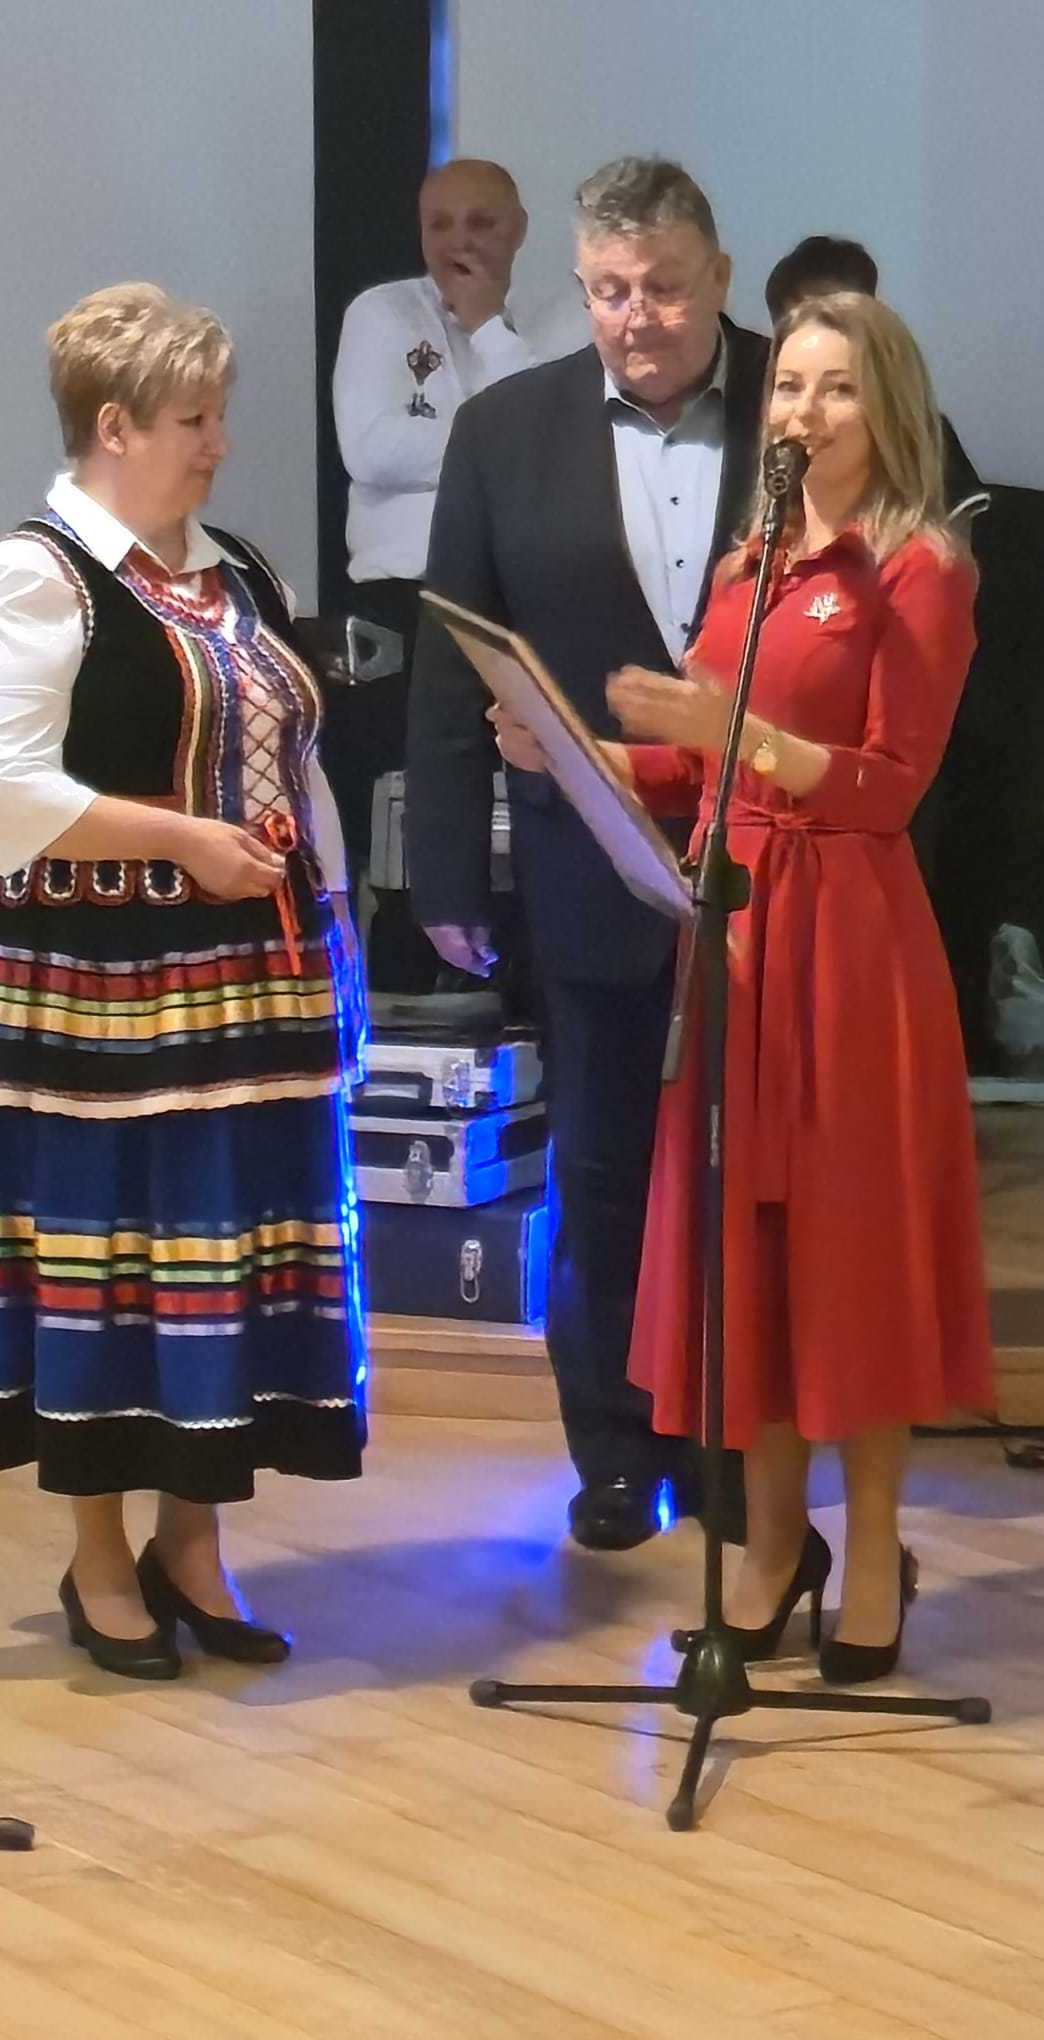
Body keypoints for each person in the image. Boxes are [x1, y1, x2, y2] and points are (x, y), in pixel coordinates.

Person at [0, 283, 366, 1680]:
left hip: (249, 980)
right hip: (98, 988)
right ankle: (99, 1556)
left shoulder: (238, 572)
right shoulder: (34, 577)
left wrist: (335, 914)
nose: (218, 442)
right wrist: (183, 842)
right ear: (113, 427)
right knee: (110, 1261)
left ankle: (194, 1541)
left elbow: (296, 767)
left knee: (219, 1260)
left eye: (217, 415)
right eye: (193, 419)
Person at [602, 292, 993, 1679]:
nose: (803, 412)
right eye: (788, 388)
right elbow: (702, 764)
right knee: (748, 1252)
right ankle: (773, 1548)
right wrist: (590, 751)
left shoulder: (918, 569)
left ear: (886, 410)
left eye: (836, 389)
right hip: (735, 934)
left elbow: (890, 787)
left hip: (846, 940)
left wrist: (735, 734)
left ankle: (873, 1546)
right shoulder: (746, 566)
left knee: (849, 1249)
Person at [408, 157, 768, 1550]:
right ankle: (615, 1453)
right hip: (586, 865)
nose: (638, 318)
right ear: (580, 287)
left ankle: (734, 1444)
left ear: (718, 277)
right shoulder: (503, 430)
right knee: (604, 1169)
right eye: (610, 291)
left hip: (768, 867)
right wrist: (446, 871)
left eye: (664, 288)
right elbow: (451, 664)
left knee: (749, 1173)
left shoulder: (799, 413)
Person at [330, 158, 535, 938]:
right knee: (404, 818)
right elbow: (372, 450)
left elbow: (544, 447)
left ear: (518, 230)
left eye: (481, 223)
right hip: (402, 605)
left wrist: (487, 329)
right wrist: (490, 448)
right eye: (439, 224)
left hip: (509, 605)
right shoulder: (383, 314)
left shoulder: (550, 329)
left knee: (509, 806)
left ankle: (503, 958)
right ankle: (408, 962)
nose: (459, 241)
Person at [764, 235, 983, 514]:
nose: (805, 410)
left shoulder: (923, 431)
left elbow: (956, 535)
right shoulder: (762, 427)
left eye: (840, 389)